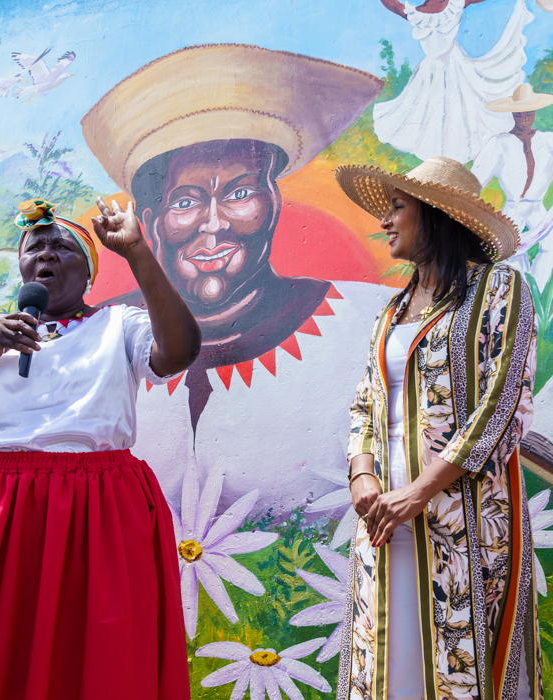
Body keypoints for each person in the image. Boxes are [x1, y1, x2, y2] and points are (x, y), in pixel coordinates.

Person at [0, 200, 200, 700]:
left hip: (94, 510)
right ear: (24, 269)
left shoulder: (119, 327)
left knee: (89, 652)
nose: (46, 254)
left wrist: (136, 252)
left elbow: (179, 351)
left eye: (62, 246)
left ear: (88, 272)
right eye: (36, 247)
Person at [80, 44, 393, 529]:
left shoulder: (370, 321)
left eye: (240, 193)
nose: (214, 224)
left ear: (274, 204)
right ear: (148, 221)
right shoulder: (96, 340)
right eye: (184, 202)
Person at [335, 156, 540, 700]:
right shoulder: (392, 311)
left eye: (397, 208)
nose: (385, 220)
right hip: (383, 520)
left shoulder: (500, 290)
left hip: (461, 519)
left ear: (436, 216)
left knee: (459, 662)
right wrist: (362, 476)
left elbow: (504, 404)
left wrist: (419, 493)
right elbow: (364, 404)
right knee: (389, 656)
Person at [373, 0, 533, 161]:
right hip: (435, 70)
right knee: (435, 110)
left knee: (452, 109)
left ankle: (448, 155)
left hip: (446, 67)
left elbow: (391, 4)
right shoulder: (432, 9)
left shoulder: (434, 9)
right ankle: (440, 156)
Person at [471, 83, 553, 291]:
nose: (524, 119)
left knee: (550, 246)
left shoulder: (550, 140)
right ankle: (519, 296)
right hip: (513, 209)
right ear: (512, 114)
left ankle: (535, 293)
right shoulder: (499, 144)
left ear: (535, 112)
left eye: (528, 114)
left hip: (537, 207)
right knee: (510, 253)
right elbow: (474, 182)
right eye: (519, 115)